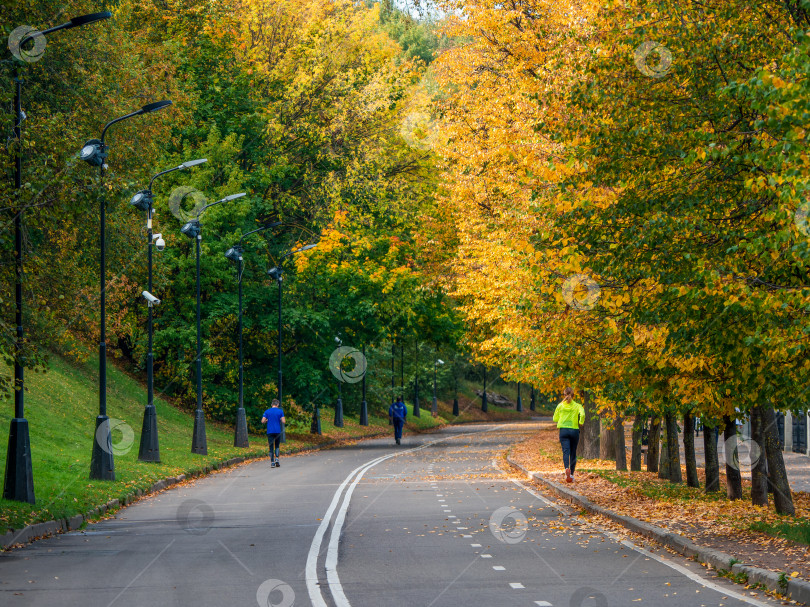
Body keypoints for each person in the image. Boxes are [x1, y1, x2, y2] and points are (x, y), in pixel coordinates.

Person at [553, 387, 585, 483]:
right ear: (573, 395)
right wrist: (581, 422)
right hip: (574, 431)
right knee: (573, 452)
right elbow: (582, 414)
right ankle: (571, 475)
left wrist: (562, 418)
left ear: (564, 395)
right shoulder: (578, 405)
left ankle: (567, 468)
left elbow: (555, 418)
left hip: (563, 431)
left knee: (566, 451)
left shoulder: (560, 406)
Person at [261, 399, 286, 468]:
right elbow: (284, 421)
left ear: (271, 404)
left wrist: (266, 420)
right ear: (277, 404)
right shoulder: (280, 411)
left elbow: (262, 421)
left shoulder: (267, 411)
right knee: (277, 446)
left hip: (270, 431)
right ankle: (277, 459)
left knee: (271, 447)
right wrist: (280, 419)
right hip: (277, 431)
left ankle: (272, 462)